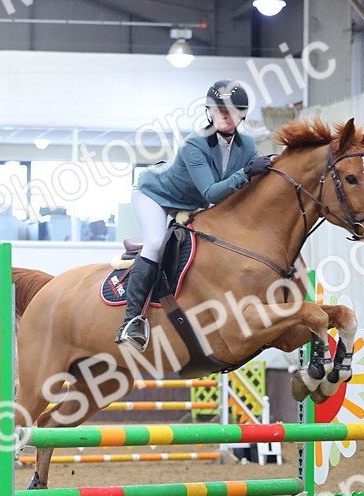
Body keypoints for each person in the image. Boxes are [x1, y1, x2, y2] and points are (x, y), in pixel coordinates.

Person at [115, 79, 273, 351]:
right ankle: (132, 321)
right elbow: (212, 193)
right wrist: (247, 172)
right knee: (154, 243)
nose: (225, 115)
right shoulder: (195, 144)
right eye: (218, 109)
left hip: (191, 203)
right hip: (154, 195)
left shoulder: (246, 144)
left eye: (232, 110)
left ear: (243, 114)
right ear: (209, 112)